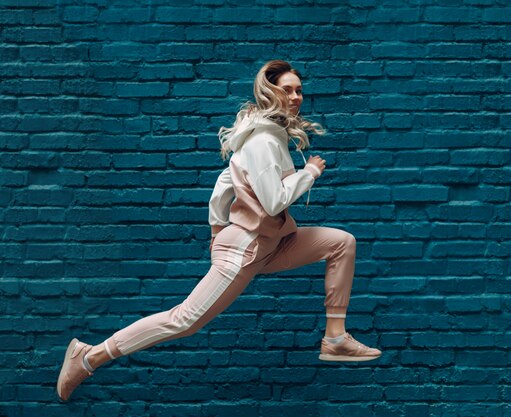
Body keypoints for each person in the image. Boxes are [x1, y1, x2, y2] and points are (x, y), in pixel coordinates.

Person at [56, 59, 381, 402]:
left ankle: (334, 338)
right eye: (287, 89)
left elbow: (222, 186)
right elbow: (273, 202)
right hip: (245, 249)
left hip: (271, 243)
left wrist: (215, 229)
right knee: (184, 320)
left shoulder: (265, 136)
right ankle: (89, 356)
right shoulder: (262, 142)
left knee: (341, 242)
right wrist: (310, 173)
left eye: (299, 90)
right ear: (269, 92)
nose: (296, 96)